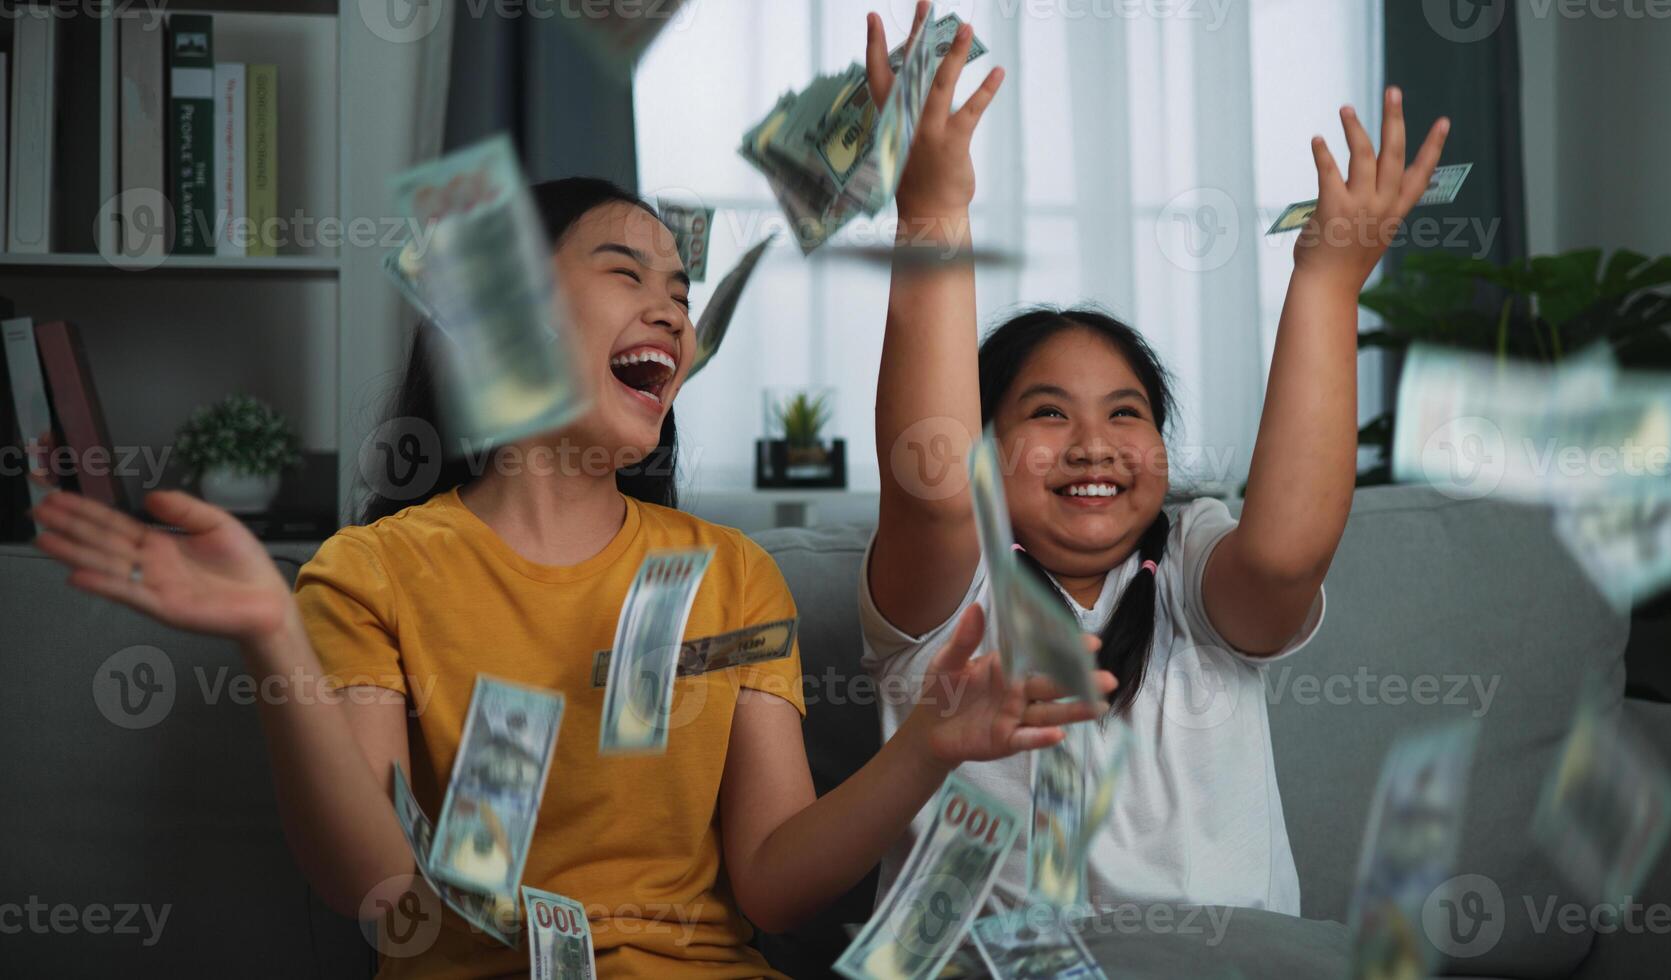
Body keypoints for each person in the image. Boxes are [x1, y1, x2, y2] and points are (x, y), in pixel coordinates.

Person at [26, 32, 1111, 978]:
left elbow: (775, 885)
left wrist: (925, 743)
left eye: (681, 292)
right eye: (625, 272)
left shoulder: (728, 574)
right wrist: (272, 632)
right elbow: (387, 901)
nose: (671, 309)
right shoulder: (375, 572)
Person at [861, 8, 1451, 915]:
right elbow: (933, 488)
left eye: (1125, 413)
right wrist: (933, 208)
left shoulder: (1188, 562)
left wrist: (1328, 281)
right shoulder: (950, 589)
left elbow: (1286, 554)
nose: (1093, 444)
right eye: (1047, 413)